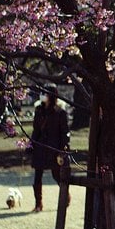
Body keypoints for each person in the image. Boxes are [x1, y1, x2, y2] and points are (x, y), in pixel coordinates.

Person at [30, 84, 70, 212]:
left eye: (45, 93)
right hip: (40, 147)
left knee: (56, 175)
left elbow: (65, 132)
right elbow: (36, 130)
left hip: (54, 148)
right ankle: (38, 203)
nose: (42, 95)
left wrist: (63, 148)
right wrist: (31, 145)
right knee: (37, 176)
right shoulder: (39, 110)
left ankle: (65, 196)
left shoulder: (60, 112)